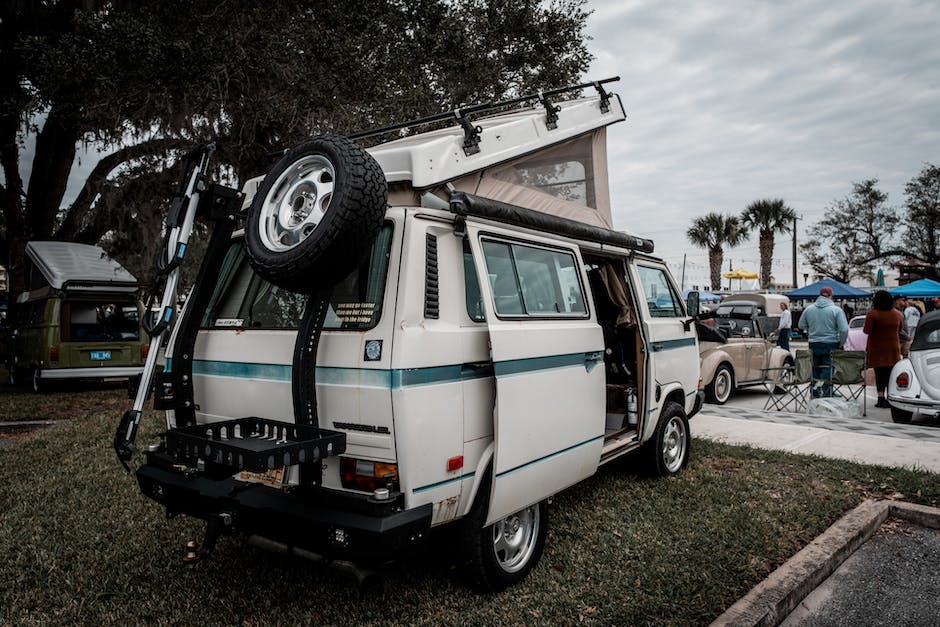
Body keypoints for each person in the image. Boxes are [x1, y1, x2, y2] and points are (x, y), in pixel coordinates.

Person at [799, 286, 849, 397]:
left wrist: (811, 327)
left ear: (820, 295)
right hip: (831, 343)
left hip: (814, 343)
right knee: (828, 368)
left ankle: (816, 392)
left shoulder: (809, 309)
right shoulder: (836, 310)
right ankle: (826, 391)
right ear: (831, 296)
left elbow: (801, 325)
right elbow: (844, 329)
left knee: (815, 367)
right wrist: (841, 342)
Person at [863, 290, 903, 408]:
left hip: (877, 348)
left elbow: (867, 330)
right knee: (891, 373)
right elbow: (900, 329)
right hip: (892, 347)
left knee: (879, 373)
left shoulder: (872, 314)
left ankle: (880, 398)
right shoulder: (897, 314)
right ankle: (891, 396)